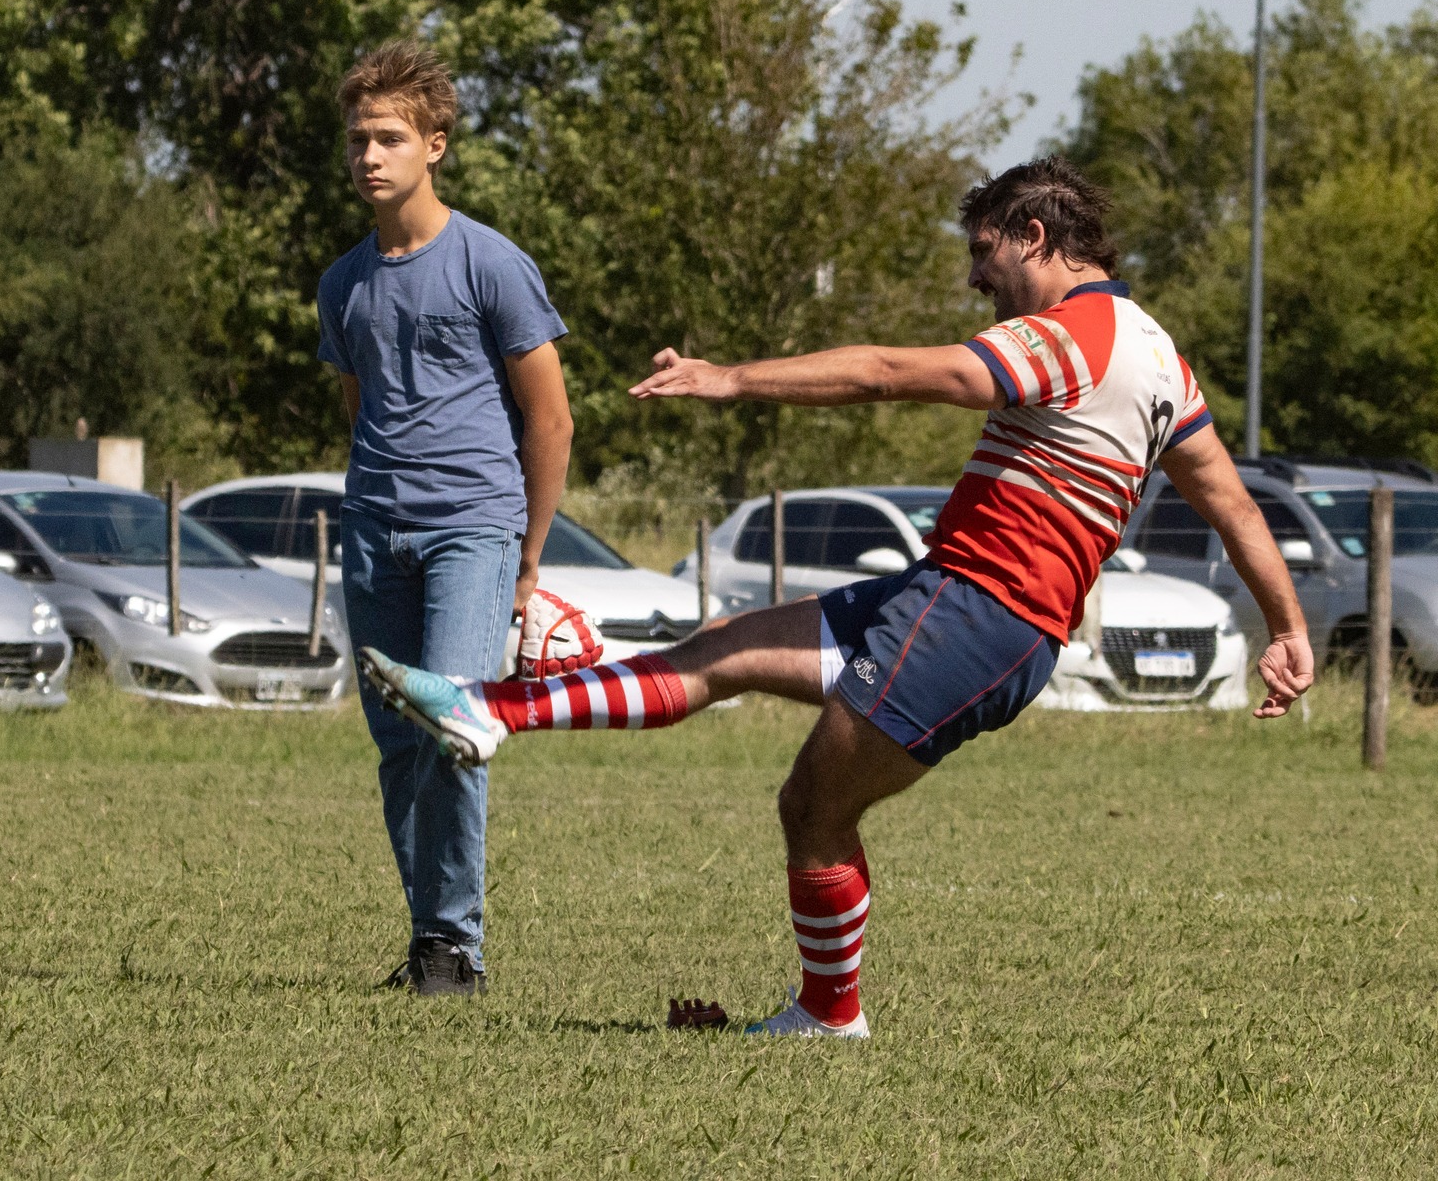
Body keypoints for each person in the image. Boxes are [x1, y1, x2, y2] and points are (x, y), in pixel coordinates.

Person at [360, 156, 1314, 1031]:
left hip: (982, 615)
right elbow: (1227, 495)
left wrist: (731, 378)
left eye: (985, 254)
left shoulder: (1072, 333)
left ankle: (829, 1018)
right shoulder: (1157, 353)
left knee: (814, 806)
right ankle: (489, 709)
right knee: (721, 649)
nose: (977, 279)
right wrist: (1287, 625)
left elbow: (896, 374)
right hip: (954, 598)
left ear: (1036, 237)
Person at [318, 40, 573, 995]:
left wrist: (526, 556)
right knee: (397, 746)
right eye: (358, 139)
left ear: (435, 146)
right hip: (374, 530)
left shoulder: (491, 262)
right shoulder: (342, 282)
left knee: (456, 725)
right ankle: (432, 937)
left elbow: (550, 416)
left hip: (475, 525)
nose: (369, 156)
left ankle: (456, 946)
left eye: (389, 137)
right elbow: (360, 408)